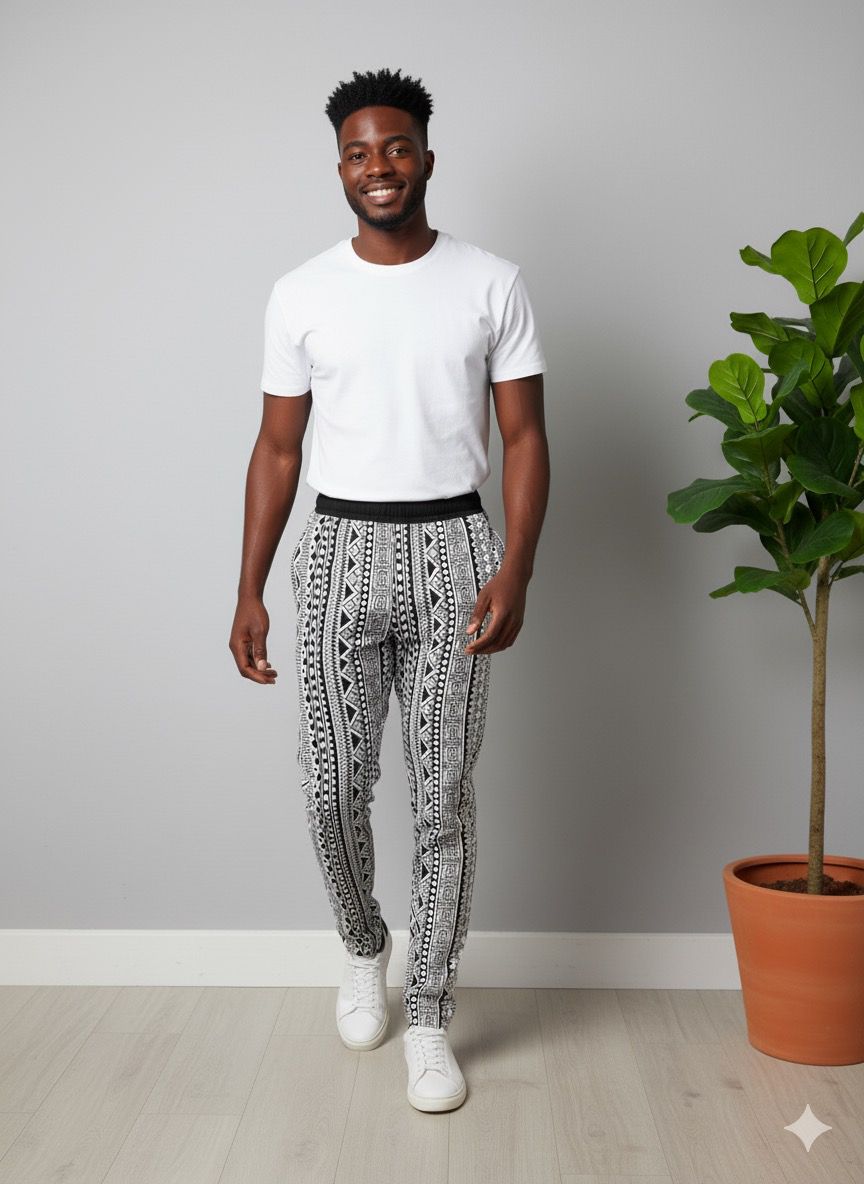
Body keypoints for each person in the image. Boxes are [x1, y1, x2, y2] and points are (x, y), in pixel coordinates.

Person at [229, 66, 550, 1113]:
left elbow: (523, 435)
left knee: (442, 796)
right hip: (336, 550)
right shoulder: (301, 292)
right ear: (340, 169)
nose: (380, 166)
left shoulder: (491, 281)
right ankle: (364, 946)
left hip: (456, 549)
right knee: (332, 786)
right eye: (359, 153)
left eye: (397, 147)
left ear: (426, 158)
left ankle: (430, 1015)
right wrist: (250, 587)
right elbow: (278, 449)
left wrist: (516, 563)